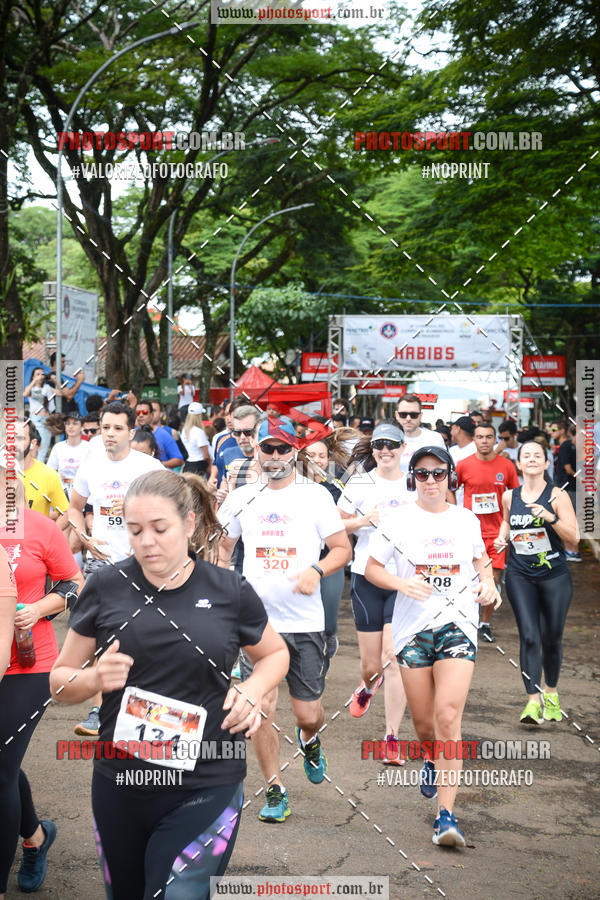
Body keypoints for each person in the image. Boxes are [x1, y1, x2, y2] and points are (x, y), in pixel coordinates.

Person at [51, 470, 288, 899]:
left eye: (160, 529)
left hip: (209, 778)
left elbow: (275, 653)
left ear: (190, 523)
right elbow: (59, 682)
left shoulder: (229, 590)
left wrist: (253, 689)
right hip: (121, 780)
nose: (146, 541)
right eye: (135, 530)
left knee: (174, 894)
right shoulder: (106, 586)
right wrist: (93, 679)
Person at [217, 418, 351, 824]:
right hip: (258, 623)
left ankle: (309, 739)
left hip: (305, 621)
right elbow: (223, 545)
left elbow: (341, 549)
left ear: (295, 452)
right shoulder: (242, 496)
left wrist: (316, 570)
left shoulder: (315, 497)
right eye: (267, 448)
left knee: (308, 713)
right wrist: (224, 588)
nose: (274, 456)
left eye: (282, 449)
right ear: (255, 451)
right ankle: (275, 788)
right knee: (260, 706)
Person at [365, 446, 500, 848]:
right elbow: (372, 568)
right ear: (413, 479)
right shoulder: (397, 520)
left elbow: (482, 560)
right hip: (413, 633)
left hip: (457, 626)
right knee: (425, 726)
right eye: (421, 474)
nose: (429, 481)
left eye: (437, 473)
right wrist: (401, 584)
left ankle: (446, 816)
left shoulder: (465, 520)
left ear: (450, 478)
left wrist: (490, 583)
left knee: (447, 717)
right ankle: (428, 755)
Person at [0, 467, 83, 897]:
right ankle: (35, 837)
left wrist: (38, 608)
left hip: (30, 665)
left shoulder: (39, 527)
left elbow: (74, 584)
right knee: (5, 764)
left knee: (1, 767)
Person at [68, 401, 164, 735]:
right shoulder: (91, 466)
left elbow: (173, 511)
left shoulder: (149, 468)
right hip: (100, 565)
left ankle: (145, 710)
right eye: (105, 428)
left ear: (130, 431)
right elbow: (75, 507)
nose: (109, 434)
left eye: (117, 428)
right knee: (101, 638)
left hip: (142, 566)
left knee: (145, 638)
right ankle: (98, 711)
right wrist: (84, 536)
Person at [338, 422, 415, 764]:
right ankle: (368, 687)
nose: (385, 450)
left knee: (393, 657)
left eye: (392, 444)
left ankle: (392, 738)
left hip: (402, 581)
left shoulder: (415, 481)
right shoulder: (360, 482)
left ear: (403, 448)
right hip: (365, 577)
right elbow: (336, 523)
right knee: (372, 665)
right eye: (380, 444)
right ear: (373, 449)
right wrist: (361, 521)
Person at [493, 441, 577, 725]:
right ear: (518, 463)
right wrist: (502, 536)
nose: (530, 459)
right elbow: (506, 522)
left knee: (551, 637)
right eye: (525, 455)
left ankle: (551, 693)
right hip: (520, 574)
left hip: (554, 575)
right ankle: (532, 701)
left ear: (545, 463)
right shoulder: (509, 496)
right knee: (529, 635)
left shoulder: (557, 496)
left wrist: (549, 517)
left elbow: (574, 538)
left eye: (536, 456)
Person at [456, 423, 520, 643]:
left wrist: (510, 530)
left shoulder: (507, 466)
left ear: (495, 440)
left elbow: (516, 497)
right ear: (473, 440)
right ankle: (465, 619)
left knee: (492, 578)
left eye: (488, 437)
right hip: (468, 533)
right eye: (480, 437)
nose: (484, 441)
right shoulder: (463, 465)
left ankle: (484, 623)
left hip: (497, 533)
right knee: (466, 576)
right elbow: (449, 488)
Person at [301, 435, 349, 661]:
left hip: (329, 559)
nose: (316, 460)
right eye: (311, 455)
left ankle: (328, 645)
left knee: (328, 623)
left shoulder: (335, 488)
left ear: (328, 459)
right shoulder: (290, 488)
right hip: (298, 560)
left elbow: (342, 525)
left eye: (322, 456)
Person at [14, 420, 70, 531]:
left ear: (33, 443)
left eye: (20, 438)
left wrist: (47, 538)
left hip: (34, 546)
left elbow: (65, 512)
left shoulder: (48, 474)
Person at [552, 419, 580, 562]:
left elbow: (568, 469)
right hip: (569, 487)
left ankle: (572, 551)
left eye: (554, 429)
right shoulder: (566, 446)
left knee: (567, 519)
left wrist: (579, 478)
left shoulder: (565, 446)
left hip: (567, 488)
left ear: (564, 431)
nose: (552, 432)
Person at [394, 394, 445, 474]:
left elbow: (443, 469)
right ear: (397, 415)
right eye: (403, 415)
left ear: (420, 416)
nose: (408, 419)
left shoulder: (434, 439)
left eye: (413, 415)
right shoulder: (388, 439)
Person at [47, 412, 89, 500]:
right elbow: (50, 471)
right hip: (60, 494)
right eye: (68, 423)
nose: (70, 426)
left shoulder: (88, 447)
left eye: (75, 423)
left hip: (82, 494)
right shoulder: (58, 447)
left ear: (82, 427)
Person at [135, 401, 183, 469]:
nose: (141, 415)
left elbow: (179, 460)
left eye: (145, 412)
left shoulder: (164, 434)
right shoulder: (131, 433)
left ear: (151, 414)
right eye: (138, 412)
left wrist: (157, 465)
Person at [23, 366, 54, 463]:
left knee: (44, 446)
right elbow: (25, 394)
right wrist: (34, 381)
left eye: (42, 374)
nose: (41, 376)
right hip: (36, 418)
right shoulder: (31, 388)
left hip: (46, 418)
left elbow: (52, 401)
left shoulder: (47, 388)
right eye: (38, 374)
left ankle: (39, 467)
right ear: (33, 376)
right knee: (35, 445)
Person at [180, 402, 210, 475]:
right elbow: (206, 455)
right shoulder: (199, 431)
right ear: (199, 415)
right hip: (199, 467)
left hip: (188, 465)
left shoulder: (184, 430)